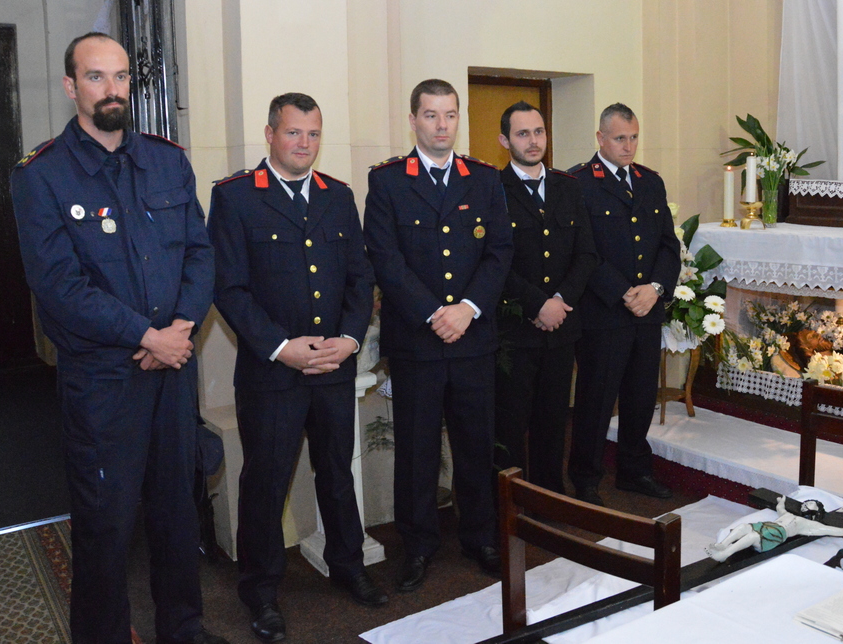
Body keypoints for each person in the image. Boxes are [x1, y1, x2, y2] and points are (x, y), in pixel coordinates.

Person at [10, 33, 225, 644]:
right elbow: (59, 287)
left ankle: (183, 629)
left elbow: (200, 254)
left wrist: (180, 328)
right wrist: (146, 335)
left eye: (122, 76)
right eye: (96, 77)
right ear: (70, 86)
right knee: (105, 526)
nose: (112, 89)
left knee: (177, 512)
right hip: (103, 381)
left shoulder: (166, 160)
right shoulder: (42, 174)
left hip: (172, 371)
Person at [208, 93, 384, 642]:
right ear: (270, 134)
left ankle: (347, 565)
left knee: (337, 472)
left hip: (333, 366)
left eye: (312, 134)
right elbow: (229, 289)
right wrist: (280, 346)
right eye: (293, 133)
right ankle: (260, 591)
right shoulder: (236, 197)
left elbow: (360, 277)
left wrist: (349, 339)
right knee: (266, 483)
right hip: (272, 374)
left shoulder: (338, 195)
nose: (303, 144)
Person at [364, 79, 513, 592]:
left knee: (476, 445)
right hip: (417, 342)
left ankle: (480, 537)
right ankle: (419, 546)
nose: (442, 125)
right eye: (431, 115)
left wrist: (467, 309)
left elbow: (500, 252)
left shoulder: (484, 179)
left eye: (450, 115)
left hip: (472, 338)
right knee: (417, 450)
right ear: (413, 121)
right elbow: (386, 259)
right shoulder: (387, 181)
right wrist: (434, 314)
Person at [567, 103, 681, 507]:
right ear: (601, 138)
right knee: (596, 400)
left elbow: (668, 245)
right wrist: (623, 292)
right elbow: (583, 250)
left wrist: (655, 288)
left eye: (633, 138)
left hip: (647, 310)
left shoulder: (650, 182)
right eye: (620, 138)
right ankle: (585, 478)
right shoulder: (579, 183)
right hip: (604, 313)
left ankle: (634, 471)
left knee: (640, 395)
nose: (628, 146)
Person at [494, 101, 597, 494]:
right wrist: (538, 304)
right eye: (522, 133)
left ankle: (549, 499)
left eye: (538, 132)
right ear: (505, 140)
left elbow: (586, 254)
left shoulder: (568, 187)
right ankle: (510, 508)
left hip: (561, 329)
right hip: (515, 331)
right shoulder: (492, 189)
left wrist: (559, 301)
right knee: (509, 426)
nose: (533, 141)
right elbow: (495, 262)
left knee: (554, 423)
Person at [705, 497, 843, 562]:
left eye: (810, 503)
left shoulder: (808, 524)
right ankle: (723, 544)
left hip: (777, 534)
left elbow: (829, 530)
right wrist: (782, 501)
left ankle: (725, 554)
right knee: (743, 527)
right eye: (806, 502)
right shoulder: (789, 515)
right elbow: (780, 509)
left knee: (753, 536)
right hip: (766, 526)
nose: (805, 504)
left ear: (817, 510)